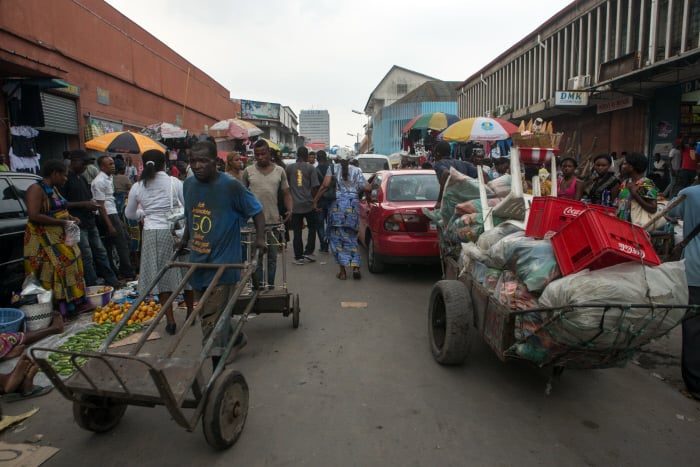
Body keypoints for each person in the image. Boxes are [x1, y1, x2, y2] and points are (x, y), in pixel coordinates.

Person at [180, 141, 266, 368]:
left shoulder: (230, 186)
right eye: (193, 161)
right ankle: (236, 338)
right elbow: (192, 215)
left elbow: (256, 210)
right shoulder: (188, 185)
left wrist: (260, 238)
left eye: (203, 161)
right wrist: (184, 239)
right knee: (210, 314)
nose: (197, 166)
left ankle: (217, 370)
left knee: (211, 321)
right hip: (198, 261)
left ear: (216, 162)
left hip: (223, 263)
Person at [125, 150, 193, 335]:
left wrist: (144, 213)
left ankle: (170, 320)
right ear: (165, 164)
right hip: (176, 233)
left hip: (152, 234)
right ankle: (190, 312)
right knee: (185, 270)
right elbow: (188, 207)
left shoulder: (138, 187)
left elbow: (130, 214)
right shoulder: (174, 182)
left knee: (162, 278)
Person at [23, 159, 90, 317]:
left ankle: (73, 303)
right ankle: (57, 309)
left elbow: (61, 208)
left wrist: (71, 217)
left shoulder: (54, 189)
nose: (65, 179)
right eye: (64, 176)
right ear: (54, 173)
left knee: (74, 262)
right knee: (55, 270)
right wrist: (62, 221)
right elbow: (34, 215)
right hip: (42, 239)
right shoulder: (36, 189)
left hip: (60, 235)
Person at [62, 150, 119, 289]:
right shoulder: (65, 179)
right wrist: (84, 204)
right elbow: (63, 204)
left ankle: (111, 280)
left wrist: (91, 205)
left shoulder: (81, 178)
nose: (85, 167)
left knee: (100, 252)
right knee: (86, 255)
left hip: (89, 220)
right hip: (76, 224)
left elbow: (88, 198)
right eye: (84, 163)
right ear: (74, 162)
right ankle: (92, 285)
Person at [242, 140, 292, 289]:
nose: (261, 157)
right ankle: (258, 287)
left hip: (273, 221)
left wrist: (290, 209)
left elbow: (286, 193)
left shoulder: (279, 171)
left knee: (272, 257)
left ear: (269, 153)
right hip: (252, 223)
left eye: (263, 154)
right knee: (255, 257)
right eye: (257, 154)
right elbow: (242, 195)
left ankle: (270, 286)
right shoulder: (248, 171)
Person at [312, 152, 370, 280]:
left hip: (337, 208)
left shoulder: (332, 168)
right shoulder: (357, 170)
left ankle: (343, 272)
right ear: (350, 159)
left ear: (336, 159)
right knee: (352, 237)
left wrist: (315, 200)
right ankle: (356, 267)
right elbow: (366, 187)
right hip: (352, 207)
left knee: (337, 239)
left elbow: (325, 185)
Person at [667, 184, 700, 400]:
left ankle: (695, 384)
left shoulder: (690, 193)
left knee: (694, 326)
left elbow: (670, 213)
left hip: (696, 267)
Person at [92, 155, 136, 280]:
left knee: (123, 241)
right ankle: (126, 272)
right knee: (121, 242)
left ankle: (121, 270)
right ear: (102, 166)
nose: (113, 166)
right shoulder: (99, 181)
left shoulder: (109, 178)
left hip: (113, 212)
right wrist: (110, 225)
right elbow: (101, 205)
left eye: (113, 163)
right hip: (107, 214)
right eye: (110, 164)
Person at [285, 146, 320, 264]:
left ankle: (298, 257)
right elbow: (315, 187)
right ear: (306, 156)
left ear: (297, 155)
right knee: (312, 228)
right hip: (308, 204)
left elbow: (286, 187)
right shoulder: (311, 168)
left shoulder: (289, 168)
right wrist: (314, 201)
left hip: (295, 206)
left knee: (297, 232)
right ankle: (308, 252)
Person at [615, 152, 658, 224]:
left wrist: (635, 194)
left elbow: (653, 208)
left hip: (636, 225)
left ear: (632, 167)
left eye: (625, 164)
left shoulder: (646, 183)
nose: (622, 166)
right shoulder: (625, 182)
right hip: (623, 223)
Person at [433, 141, 477, 208]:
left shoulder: (439, 164)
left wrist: (439, 200)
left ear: (437, 153)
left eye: (434, 154)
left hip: (450, 205)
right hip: (466, 203)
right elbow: (482, 173)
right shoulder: (463, 164)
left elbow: (446, 173)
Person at [314, 150, 332, 253]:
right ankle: (329, 244)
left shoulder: (316, 170)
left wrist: (314, 200)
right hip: (331, 200)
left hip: (320, 200)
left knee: (320, 225)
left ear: (317, 158)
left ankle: (323, 246)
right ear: (326, 157)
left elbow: (315, 187)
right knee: (329, 224)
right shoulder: (332, 169)